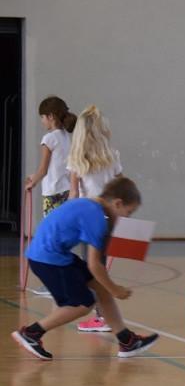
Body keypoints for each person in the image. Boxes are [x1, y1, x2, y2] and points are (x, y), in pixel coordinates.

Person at [11, 176, 158, 361]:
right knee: (82, 304)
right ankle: (32, 333)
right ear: (118, 203)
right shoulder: (96, 217)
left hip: (54, 254)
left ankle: (126, 340)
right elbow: (94, 264)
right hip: (48, 259)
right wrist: (116, 290)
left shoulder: (92, 207)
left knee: (100, 286)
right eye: (128, 213)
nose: (127, 218)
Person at [67, 105, 123, 332]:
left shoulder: (77, 159)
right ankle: (104, 314)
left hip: (86, 217)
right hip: (107, 216)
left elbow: (73, 194)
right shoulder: (112, 156)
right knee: (99, 264)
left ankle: (102, 316)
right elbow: (121, 186)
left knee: (93, 267)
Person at [26, 96, 77, 216]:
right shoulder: (65, 137)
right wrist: (35, 176)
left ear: (51, 116)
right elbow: (55, 165)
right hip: (66, 189)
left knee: (52, 227)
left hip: (52, 192)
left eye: (42, 117)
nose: (42, 121)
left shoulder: (49, 139)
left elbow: (43, 169)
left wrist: (32, 183)